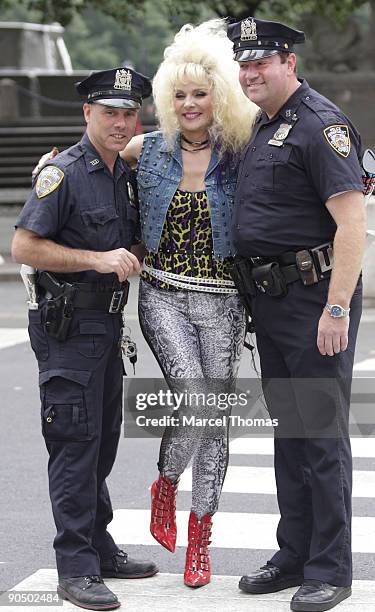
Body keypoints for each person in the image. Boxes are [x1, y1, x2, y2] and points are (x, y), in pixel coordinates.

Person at [227, 17, 366, 612]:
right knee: (290, 432)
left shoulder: (321, 126)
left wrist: (335, 308)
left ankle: (330, 569)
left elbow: (353, 224)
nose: (250, 72)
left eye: (261, 62)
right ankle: (294, 553)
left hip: (314, 303)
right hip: (275, 302)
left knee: (322, 437)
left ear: (289, 61)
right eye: (244, 64)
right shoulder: (264, 126)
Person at [11, 68, 158, 611]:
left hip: (107, 327)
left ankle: (98, 544)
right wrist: (96, 259)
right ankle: (75, 567)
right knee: (74, 446)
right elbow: (24, 246)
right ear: (87, 114)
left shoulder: (123, 172)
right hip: (68, 328)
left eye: (128, 113)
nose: (120, 122)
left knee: (102, 443)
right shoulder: (64, 173)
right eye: (109, 112)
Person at [123, 20, 258, 588]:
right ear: (166, 100)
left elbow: (297, 169)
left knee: (216, 420)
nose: (189, 103)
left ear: (219, 95)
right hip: (163, 294)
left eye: (200, 93)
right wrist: (47, 172)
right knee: (196, 397)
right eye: (178, 95)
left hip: (225, 302)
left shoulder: (241, 151)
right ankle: (164, 484)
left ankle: (200, 538)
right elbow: (91, 160)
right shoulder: (145, 149)